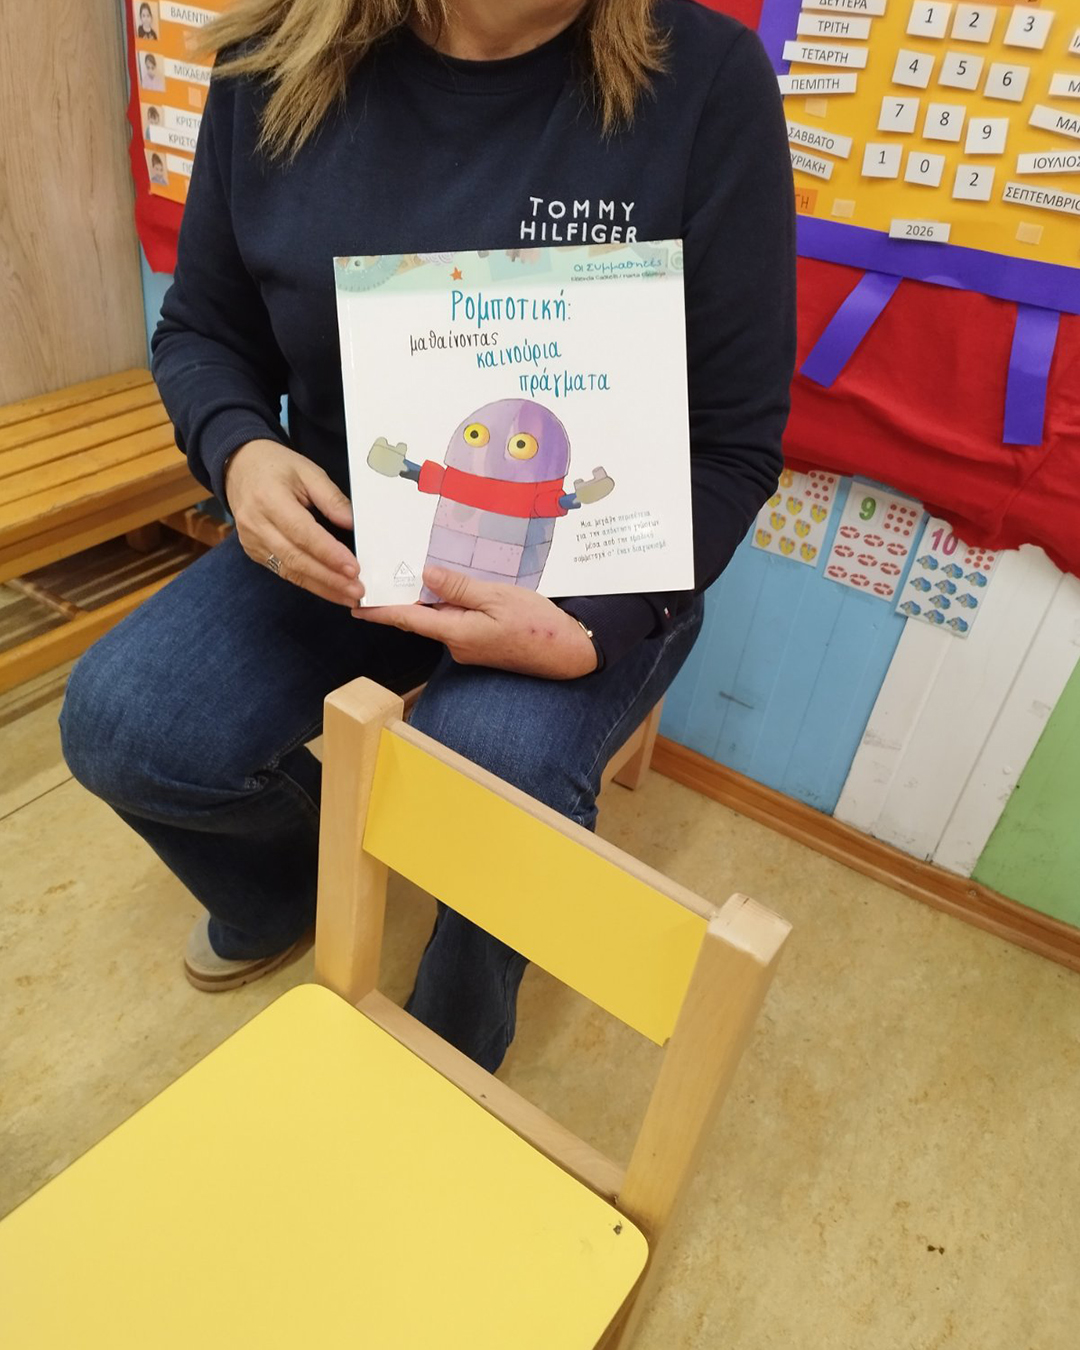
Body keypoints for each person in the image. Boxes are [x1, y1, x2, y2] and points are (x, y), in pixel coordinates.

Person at [61, 0, 795, 1074]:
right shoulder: (272, 61)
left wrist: (602, 623)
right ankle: (290, 888)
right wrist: (239, 450)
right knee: (124, 728)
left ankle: (453, 1041)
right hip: (345, 535)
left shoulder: (708, 82)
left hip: (586, 566)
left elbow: (732, 443)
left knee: (490, 772)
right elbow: (205, 331)